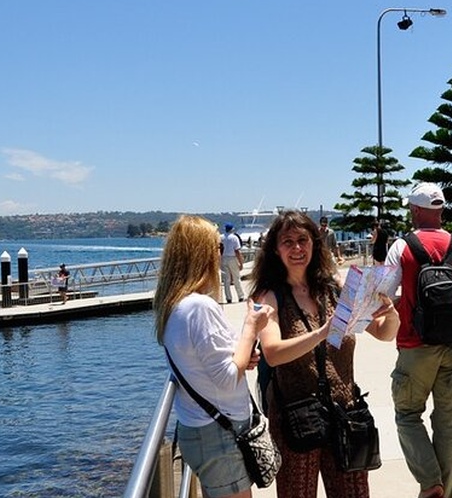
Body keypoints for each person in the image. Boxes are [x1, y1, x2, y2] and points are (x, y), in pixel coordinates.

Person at [250, 209, 399, 498]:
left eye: (303, 240)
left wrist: (390, 314)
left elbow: (383, 333)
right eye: (288, 241)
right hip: (297, 419)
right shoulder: (270, 296)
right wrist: (321, 333)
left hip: (344, 412)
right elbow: (273, 353)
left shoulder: (335, 288)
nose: (297, 248)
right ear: (275, 249)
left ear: (315, 243)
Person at [155, 215, 271, 498]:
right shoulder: (199, 307)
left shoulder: (175, 306)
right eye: (216, 246)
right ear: (201, 254)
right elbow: (229, 378)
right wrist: (251, 326)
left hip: (201, 430)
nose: (220, 252)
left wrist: (244, 355)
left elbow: (208, 362)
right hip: (218, 435)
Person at [384, 182, 452, 498]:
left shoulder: (402, 248)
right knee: (448, 425)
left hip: (415, 349)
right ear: (440, 210)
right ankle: (444, 493)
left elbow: (380, 295)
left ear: (415, 210)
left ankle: (430, 483)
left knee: (407, 416)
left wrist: (403, 302)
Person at [221, 223, 245, 303]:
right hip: (232, 258)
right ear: (232, 229)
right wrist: (241, 263)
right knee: (236, 278)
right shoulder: (234, 238)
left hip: (223, 258)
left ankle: (228, 297)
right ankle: (240, 296)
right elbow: (237, 251)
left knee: (226, 280)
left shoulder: (221, 237)